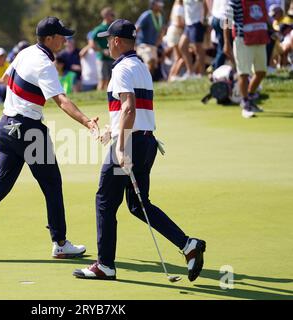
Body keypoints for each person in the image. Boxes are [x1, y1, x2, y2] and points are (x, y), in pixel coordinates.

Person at [0, 17, 100, 260]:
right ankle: (60, 242)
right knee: (52, 183)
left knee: (1, 184)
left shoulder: (25, 52)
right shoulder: (44, 64)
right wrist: (87, 122)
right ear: (49, 38)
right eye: (61, 35)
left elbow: (4, 79)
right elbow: (61, 100)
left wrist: (24, 95)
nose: (65, 39)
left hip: (5, 127)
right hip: (28, 131)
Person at [73, 19, 206, 281]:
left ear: (117, 42)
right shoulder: (141, 67)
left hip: (131, 144)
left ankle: (105, 265)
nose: (107, 44)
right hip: (147, 142)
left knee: (105, 201)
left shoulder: (121, 69)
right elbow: (134, 111)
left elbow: (130, 108)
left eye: (108, 40)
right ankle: (188, 245)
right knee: (138, 204)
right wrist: (111, 129)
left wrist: (120, 147)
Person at [224, 0, 269, 118]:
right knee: (243, 73)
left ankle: (249, 97)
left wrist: (272, 31)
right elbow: (226, 21)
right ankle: (245, 103)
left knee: (261, 72)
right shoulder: (235, 1)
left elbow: (264, 18)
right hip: (242, 41)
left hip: (260, 39)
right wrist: (226, 43)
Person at [179, 0, 209, 78]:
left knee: (198, 49)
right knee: (182, 46)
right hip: (188, 24)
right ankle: (190, 72)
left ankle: (202, 73)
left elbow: (205, 4)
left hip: (197, 23)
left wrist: (204, 19)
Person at [135, 0, 166, 75]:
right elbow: (136, 28)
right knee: (150, 61)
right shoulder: (146, 15)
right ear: (153, 5)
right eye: (158, 3)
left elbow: (161, 31)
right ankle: (144, 82)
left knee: (153, 65)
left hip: (153, 45)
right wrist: (133, 44)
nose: (161, 4)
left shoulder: (160, 16)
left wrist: (157, 43)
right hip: (143, 45)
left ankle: (148, 82)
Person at [90, 7, 116, 90]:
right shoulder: (99, 29)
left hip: (112, 57)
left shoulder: (113, 27)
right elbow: (91, 44)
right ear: (106, 16)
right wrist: (102, 51)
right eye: (111, 15)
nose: (113, 16)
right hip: (102, 59)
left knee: (112, 80)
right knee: (103, 80)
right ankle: (99, 96)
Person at [165, 0, 186, 81]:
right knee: (181, 58)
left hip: (174, 32)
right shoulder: (179, 7)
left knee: (178, 58)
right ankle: (172, 77)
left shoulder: (176, 7)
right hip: (176, 32)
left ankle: (171, 77)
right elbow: (178, 23)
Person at [210, 0, 229, 70]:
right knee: (225, 46)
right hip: (223, 18)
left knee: (221, 46)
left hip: (216, 17)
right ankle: (216, 70)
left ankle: (214, 66)